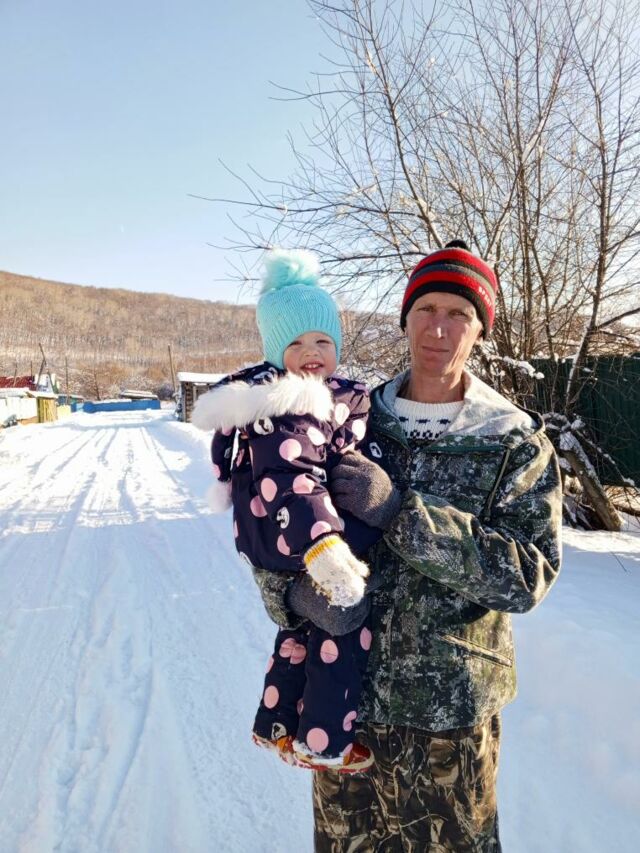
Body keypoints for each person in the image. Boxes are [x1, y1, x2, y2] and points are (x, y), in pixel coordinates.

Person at [257, 240, 563, 851]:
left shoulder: (511, 439)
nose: (439, 328)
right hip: (345, 704)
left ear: (480, 330)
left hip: (451, 714)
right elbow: (275, 519)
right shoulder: (344, 415)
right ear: (405, 318)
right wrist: (290, 595)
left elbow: (528, 575)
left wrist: (403, 514)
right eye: (426, 309)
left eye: (459, 314)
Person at [191, 249, 392, 774]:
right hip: (299, 532)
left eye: (323, 341)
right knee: (343, 623)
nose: (311, 353)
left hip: (284, 532)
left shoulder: (320, 395)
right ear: (276, 352)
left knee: (301, 627)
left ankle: (276, 723)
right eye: (296, 343)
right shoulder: (291, 403)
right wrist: (323, 545)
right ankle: (324, 741)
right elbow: (292, 478)